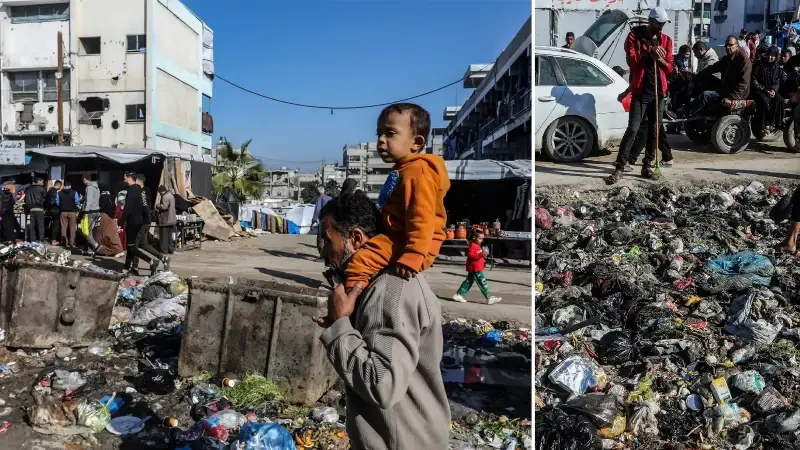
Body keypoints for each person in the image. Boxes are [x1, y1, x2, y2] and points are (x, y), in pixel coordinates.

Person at [312, 192, 450, 450]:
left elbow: (381, 384)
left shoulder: (388, 289)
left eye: (327, 241)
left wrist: (341, 326)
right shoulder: (377, 283)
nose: (324, 253)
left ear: (355, 238)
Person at [337, 103, 450, 306]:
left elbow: (421, 218)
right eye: (379, 133)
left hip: (413, 243)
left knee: (359, 262)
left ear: (416, 142)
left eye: (390, 133)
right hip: (401, 238)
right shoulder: (405, 170)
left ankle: (350, 307)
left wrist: (413, 255)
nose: (381, 140)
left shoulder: (417, 173)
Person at [606, 7, 674, 185]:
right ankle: (620, 166)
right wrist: (648, 53)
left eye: (663, 24)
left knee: (654, 131)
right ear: (650, 21)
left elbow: (669, 68)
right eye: (658, 24)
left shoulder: (666, 40)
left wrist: (659, 58)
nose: (661, 27)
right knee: (633, 129)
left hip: (658, 92)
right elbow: (632, 61)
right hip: (640, 91)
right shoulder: (634, 37)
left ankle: (647, 165)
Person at [685, 35, 752, 118]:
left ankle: (687, 115)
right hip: (725, 88)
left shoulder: (744, 61)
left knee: (705, 95)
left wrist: (731, 98)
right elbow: (712, 68)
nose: (728, 47)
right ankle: (692, 111)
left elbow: (743, 84)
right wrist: (696, 78)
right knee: (702, 85)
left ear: (737, 45)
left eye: (731, 45)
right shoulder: (727, 59)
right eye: (726, 45)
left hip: (736, 93)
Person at [119, 173, 167, 275]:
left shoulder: (139, 191)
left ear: (137, 180)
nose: (124, 180)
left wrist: (121, 222)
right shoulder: (141, 191)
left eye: (125, 178)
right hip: (142, 221)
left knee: (133, 246)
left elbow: (139, 207)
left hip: (139, 222)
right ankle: (128, 267)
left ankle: (139, 265)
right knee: (140, 244)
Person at [452, 230, 501, 304]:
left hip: (475, 267)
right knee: (482, 282)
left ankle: (459, 294)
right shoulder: (473, 245)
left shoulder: (476, 245)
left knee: (468, 281)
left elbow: (477, 255)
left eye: (482, 239)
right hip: (475, 268)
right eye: (480, 238)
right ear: (474, 237)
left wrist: (483, 256)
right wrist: (481, 255)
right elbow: (471, 255)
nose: (482, 240)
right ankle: (489, 297)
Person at [751, 45, 786, 133]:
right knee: (764, 100)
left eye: (772, 56)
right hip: (759, 89)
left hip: (771, 90)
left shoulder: (777, 67)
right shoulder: (759, 64)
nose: (770, 57)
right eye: (768, 55)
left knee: (779, 100)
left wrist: (774, 90)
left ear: (776, 56)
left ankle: (774, 123)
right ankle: (762, 125)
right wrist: (764, 90)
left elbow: (777, 81)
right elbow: (754, 79)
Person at [93, 183, 123, 258]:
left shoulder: (102, 196)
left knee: (101, 233)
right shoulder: (110, 196)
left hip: (105, 216)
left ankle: (102, 249)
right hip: (111, 217)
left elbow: (103, 207)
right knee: (110, 234)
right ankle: (116, 249)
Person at [81, 173, 101, 254]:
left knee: (85, 231)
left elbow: (89, 200)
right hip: (96, 211)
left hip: (90, 212)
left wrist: (85, 211)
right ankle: (89, 250)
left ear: (85, 179)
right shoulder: (97, 187)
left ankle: (96, 246)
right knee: (90, 231)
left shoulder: (89, 187)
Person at [56, 180, 80, 247]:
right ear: (70, 186)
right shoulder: (74, 192)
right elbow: (77, 202)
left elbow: (57, 203)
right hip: (72, 212)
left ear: (64, 186)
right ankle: (72, 243)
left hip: (63, 212)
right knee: (72, 228)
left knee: (63, 228)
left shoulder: (59, 193)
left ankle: (64, 242)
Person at [23, 177, 47, 243]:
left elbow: (25, 200)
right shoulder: (42, 189)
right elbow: (46, 198)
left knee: (32, 225)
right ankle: (41, 239)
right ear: (39, 181)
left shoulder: (29, 189)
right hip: (39, 208)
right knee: (40, 225)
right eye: (42, 182)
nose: (43, 183)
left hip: (31, 209)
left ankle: (32, 239)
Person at [155, 185, 176, 255]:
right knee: (169, 236)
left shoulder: (165, 197)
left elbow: (164, 207)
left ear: (161, 191)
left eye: (159, 192)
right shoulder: (171, 196)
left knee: (164, 236)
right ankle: (171, 249)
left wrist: (157, 205)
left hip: (165, 219)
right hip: (172, 219)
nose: (160, 194)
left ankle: (164, 250)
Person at [312, 186, 332, 258]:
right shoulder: (330, 198)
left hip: (323, 221)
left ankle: (323, 257)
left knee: (320, 239)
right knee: (329, 239)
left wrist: (313, 221)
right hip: (332, 221)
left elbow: (317, 211)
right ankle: (328, 256)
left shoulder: (320, 199)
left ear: (317, 192)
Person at [46, 180, 61, 245]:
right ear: (59, 185)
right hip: (55, 210)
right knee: (55, 225)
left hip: (49, 210)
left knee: (50, 225)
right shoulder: (54, 191)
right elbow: (52, 202)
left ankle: (49, 238)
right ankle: (53, 240)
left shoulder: (49, 190)